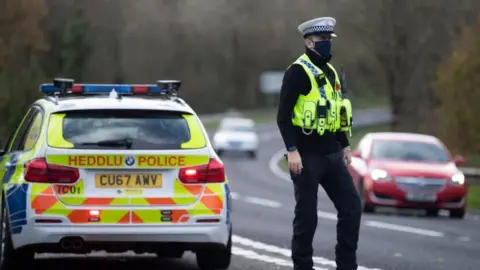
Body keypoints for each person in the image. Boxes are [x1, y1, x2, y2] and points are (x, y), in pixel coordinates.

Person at [276, 17, 361, 270]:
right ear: (308, 41)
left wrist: (345, 145)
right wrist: (292, 151)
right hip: (306, 155)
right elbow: (283, 116)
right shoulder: (297, 72)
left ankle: (347, 265)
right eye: (322, 40)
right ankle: (303, 266)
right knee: (307, 217)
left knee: (352, 208)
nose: (326, 44)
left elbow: (338, 112)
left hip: (332, 153)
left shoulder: (331, 71)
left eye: (328, 39)